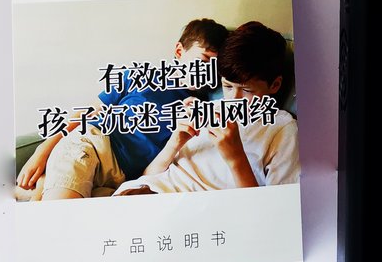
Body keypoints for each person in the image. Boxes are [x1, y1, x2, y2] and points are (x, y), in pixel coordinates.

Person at [15, 18, 229, 200]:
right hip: (92, 146)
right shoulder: (140, 77)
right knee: (63, 217)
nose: (207, 71)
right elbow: (87, 113)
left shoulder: (201, 112)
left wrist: (176, 142)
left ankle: (36, 188)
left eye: (215, 67)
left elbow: (152, 174)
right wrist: (41, 151)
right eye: (203, 61)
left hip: (121, 180)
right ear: (179, 51)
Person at [113, 21, 299, 195]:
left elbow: (276, 209)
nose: (233, 99)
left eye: (246, 90)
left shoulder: (283, 130)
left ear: (275, 85)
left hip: (192, 206)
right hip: (145, 190)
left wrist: (236, 158)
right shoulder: (209, 109)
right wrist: (175, 142)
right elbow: (147, 176)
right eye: (227, 86)